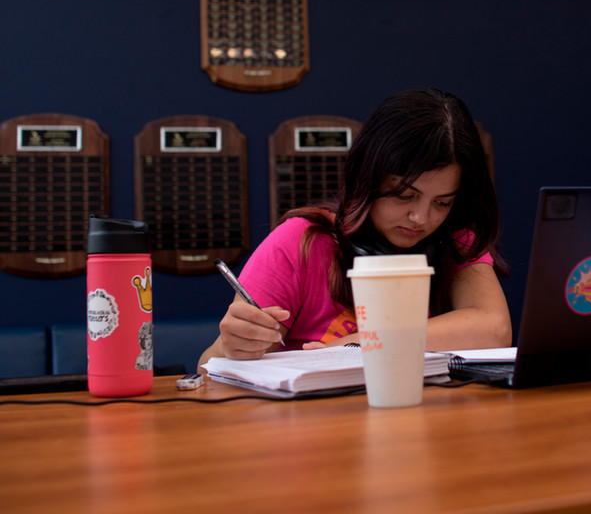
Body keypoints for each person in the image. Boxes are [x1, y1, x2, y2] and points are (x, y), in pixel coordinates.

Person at [198, 88, 512, 370]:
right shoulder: (302, 240)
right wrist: (231, 345)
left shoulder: (455, 240)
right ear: (366, 179)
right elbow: (208, 366)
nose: (421, 217)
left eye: (442, 202)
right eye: (405, 196)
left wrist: (356, 345)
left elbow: (493, 328)